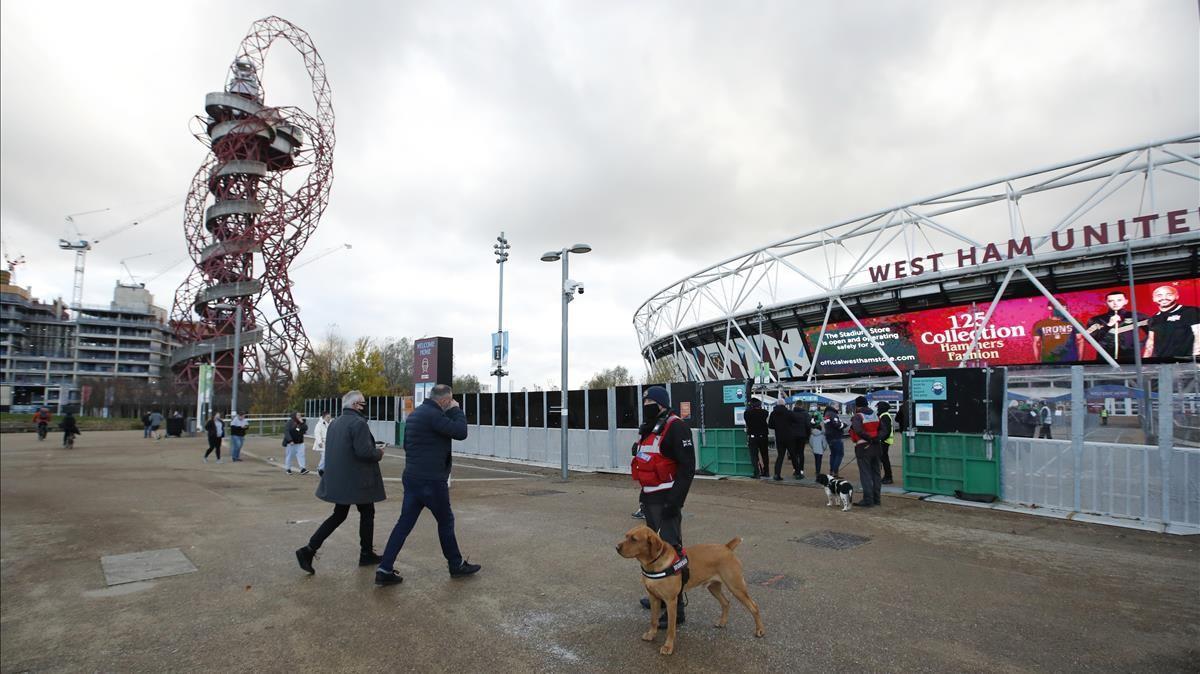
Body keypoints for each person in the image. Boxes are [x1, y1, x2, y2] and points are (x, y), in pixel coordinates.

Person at [375, 384, 479, 586]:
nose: (450, 404)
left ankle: (384, 568)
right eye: (450, 401)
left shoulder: (415, 414)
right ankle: (455, 565)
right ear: (445, 401)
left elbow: (408, 444)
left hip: (412, 477)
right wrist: (456, 410)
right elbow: (460, 432)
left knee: (403, 524)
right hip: (431, 480)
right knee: (446, 521)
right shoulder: (434, 415)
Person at [296, 390, 386, 575]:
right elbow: (364, 452)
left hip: (341, 478)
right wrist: (379, 453)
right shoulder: (358, 423)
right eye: (362, 403)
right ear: (354, 405)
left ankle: (309, 549)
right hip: (358, 479)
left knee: (339, 514)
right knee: (367, 513)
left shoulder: (335, 422)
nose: (364, 406)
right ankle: (365, 553)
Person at [631, 385, 695, 627]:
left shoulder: (675, 426)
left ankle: (676, 609)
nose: (645, 406)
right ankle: (658, 595)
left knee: (671, 553)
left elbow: (687, 467)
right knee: (652, 553)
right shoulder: (649, 428)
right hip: (650, 499)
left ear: (660, 403)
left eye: (648, 402)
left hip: (666, 500)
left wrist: (675, 502)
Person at [1142, 285, 1200, 360]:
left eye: (1169, 294)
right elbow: (1150, 343)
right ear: (1154, 299)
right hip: (1162, 364)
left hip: (1186, 363)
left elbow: (1198, 335)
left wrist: (1196, 359)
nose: (1164, 298)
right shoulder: (1154, 318)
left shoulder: (1191, 311)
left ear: (1177, 296)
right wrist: (1145, 362)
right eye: (1159, 295)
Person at [1085, 291, 1146, 363]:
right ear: (1106, 303)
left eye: (1119, 300)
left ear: (1126, 301)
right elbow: (1089, 339)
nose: (1115, 303)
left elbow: (1153, 334)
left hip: (1131, 359)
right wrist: (1109, 325)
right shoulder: (1097, 320)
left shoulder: (1137, 316)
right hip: (1104, 360)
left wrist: (1139, 345)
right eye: (1111, 301)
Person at [850, 396, 888, 508]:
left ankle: (868, 499)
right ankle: (877, 499)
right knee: (876, 474)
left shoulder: (858, 416)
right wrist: (877, 437)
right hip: (877, 448)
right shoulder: (875, 415)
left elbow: (857, 430)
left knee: (865, 474)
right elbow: (884, 430)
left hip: (863, 448)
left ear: (857, 406)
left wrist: (869, 438)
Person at [767, 398, 798, 481]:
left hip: (779, 437)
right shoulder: (789, 413)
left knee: (780, 456)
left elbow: (770, 425)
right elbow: (796, 422)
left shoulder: (773, 413)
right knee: (793, 455)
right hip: (789, 437)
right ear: (784, 404)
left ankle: (777, 474)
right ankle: (797, 473)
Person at [743, 398, 769, 478]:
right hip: (763, 436)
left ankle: (757, 473)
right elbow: (764, 412)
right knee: (765, 455)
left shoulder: (747, 413)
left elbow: (747, 416)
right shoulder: (765, 412)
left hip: (753, 437)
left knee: (754, 455)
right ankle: (766, 472)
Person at [823, 404, 846, 477]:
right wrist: (844, 425)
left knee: (833, 454)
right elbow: (837, 425)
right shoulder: (833, 414)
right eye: (837, 406)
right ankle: (835, 472)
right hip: (836, 436)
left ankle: (831, 470)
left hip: (829, 437)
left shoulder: (826, 414)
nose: (838, 407)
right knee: (839, 454)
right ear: (833, 406)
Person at [876, 401, 896, 484]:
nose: (877, 409)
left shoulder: (884, 416)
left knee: (884, 460)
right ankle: (887, 476)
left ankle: (888, 477)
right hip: (885, 441)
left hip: (884, 441)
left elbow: (886, 430)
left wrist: (881, 439)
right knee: (884, 459)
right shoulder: (884, 415)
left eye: (878, 407)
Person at [790, 402, 810, 480]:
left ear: (795, 405)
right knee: (801, 453)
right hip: (802, 436)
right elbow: (808, 425)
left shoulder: (791, 413)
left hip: (792, 436)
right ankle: (801, 470)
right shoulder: (805, 414)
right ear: (802, 405)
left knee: (794, 453)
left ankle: (795, 469)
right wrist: (808, 436)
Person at [808, 406, 826, 475]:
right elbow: (824, 443)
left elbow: (810, 442)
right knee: (819, 460)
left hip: (815, 450)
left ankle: (817, 470)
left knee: (816, 460)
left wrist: (812, 447)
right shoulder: (822, 435)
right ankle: (818, 471)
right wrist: (824, 448)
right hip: (820, 450)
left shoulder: (812, 434)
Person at [314, 411, 332, 476]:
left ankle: (323, 469)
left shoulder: (331, 423)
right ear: (324, 417)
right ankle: (320, 469)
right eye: (328, 417)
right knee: (324, 457)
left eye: (330, 417)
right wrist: (319, 442)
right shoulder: (319, 424)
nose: (329, 418)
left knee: (328, 457)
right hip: (322, 443)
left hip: (329, 442)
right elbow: (317, 433)